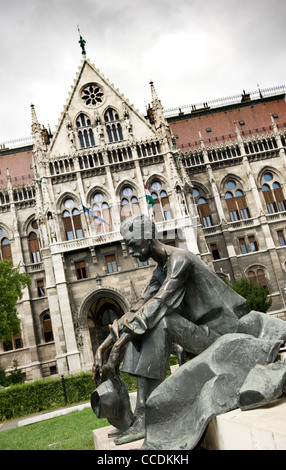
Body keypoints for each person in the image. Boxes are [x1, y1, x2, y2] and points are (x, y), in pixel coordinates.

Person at [93, 214, 260, 444]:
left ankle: (145, 415)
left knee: (160, 320)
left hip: (221, 334)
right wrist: (105, 346)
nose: (129, 251)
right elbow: (139, 308)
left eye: (132, 244)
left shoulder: (180, 260)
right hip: (202, 334)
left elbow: (161, 303)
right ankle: (141, 413)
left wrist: (121, 342)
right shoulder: (161, 268)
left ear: (146, 237)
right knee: (145, 319)